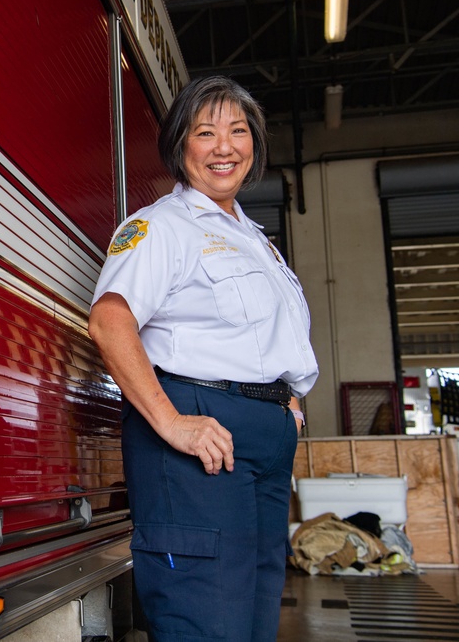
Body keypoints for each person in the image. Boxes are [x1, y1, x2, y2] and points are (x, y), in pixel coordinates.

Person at [88, 75, 318, 642]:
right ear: (180, 145)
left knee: (256, 619)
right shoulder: (161, 227)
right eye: (206, 131)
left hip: (263, 440)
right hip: (203, 432)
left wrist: (283, 400)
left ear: (254, 146)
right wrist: (171, 422)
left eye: (238, 132)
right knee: (207, 621)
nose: (224, 147)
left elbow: (267, 338)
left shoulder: (254, 239)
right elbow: (109, 322)